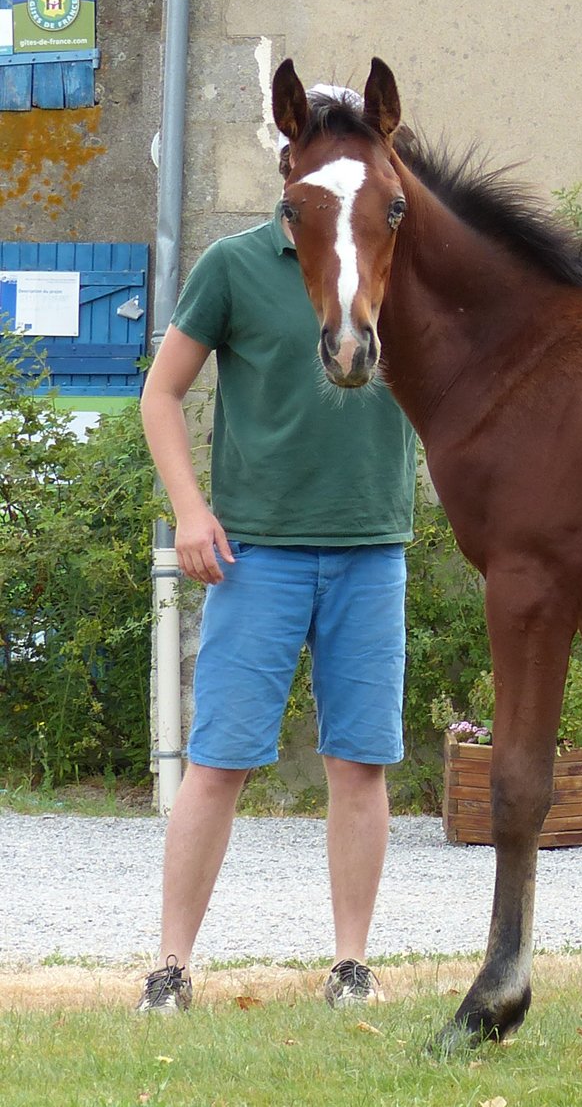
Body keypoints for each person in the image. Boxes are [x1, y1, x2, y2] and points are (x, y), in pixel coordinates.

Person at [136, 85, 417, 1013]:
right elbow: (161, 394)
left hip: (370, 549)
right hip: (256, 555)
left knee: (360, 766)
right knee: (218, 761)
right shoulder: (234, 266)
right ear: (290, 168)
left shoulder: (395, 256)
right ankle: (171, 967)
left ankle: (351, 966)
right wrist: (190, 512)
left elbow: (538, 299)